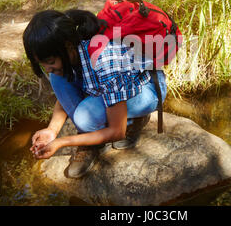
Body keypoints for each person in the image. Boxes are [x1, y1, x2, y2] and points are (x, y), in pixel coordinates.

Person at [22, 9, 167, 178]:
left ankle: (133, 120)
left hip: (147, 91)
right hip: (113, 88)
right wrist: (52, 130)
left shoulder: (104, 60)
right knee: (57, 77)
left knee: (85, 117)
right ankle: (91, 136)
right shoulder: (73, 51)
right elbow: (66, 96)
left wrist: (61, 142)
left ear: (68, 46)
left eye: (51, 62)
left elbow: (116, 132)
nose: (47, 68)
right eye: (42, 64)